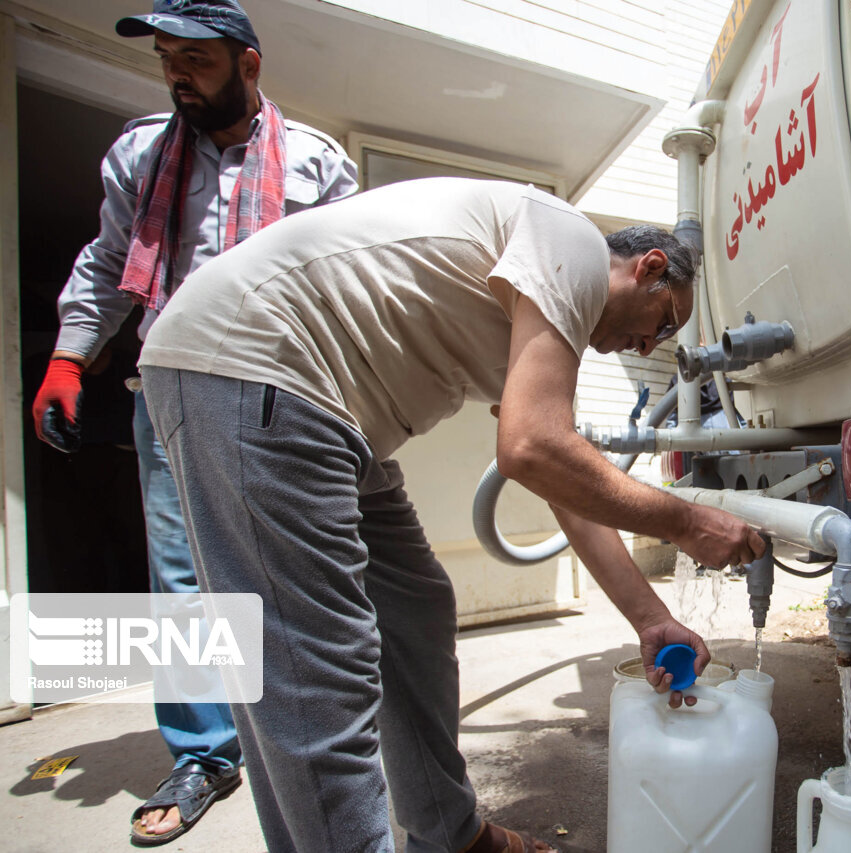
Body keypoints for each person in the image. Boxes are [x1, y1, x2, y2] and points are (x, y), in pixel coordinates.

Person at [137, 177, 767, 853]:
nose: (649, 348)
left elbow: (562, 479)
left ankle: (448, 834)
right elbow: (532, 448)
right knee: (315, 670)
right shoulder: (572, 245)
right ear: (648, 268)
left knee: (414, 607)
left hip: (329, 407)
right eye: (665, 323)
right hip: (254, 362)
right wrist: (686, 521)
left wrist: (651, 618)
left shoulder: (544, 312)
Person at [28, 0, 359, 845]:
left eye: (198, 59)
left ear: (248, 64)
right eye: (168, 56)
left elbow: (347, 281)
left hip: (280, 392)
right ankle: (205, 751)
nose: (178, 72)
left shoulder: (317, 162)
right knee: (182, 577)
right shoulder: (141, 152)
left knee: (285, 570)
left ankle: (308, 732)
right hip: (167, 390)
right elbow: (109, 258)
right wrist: (71, 355)